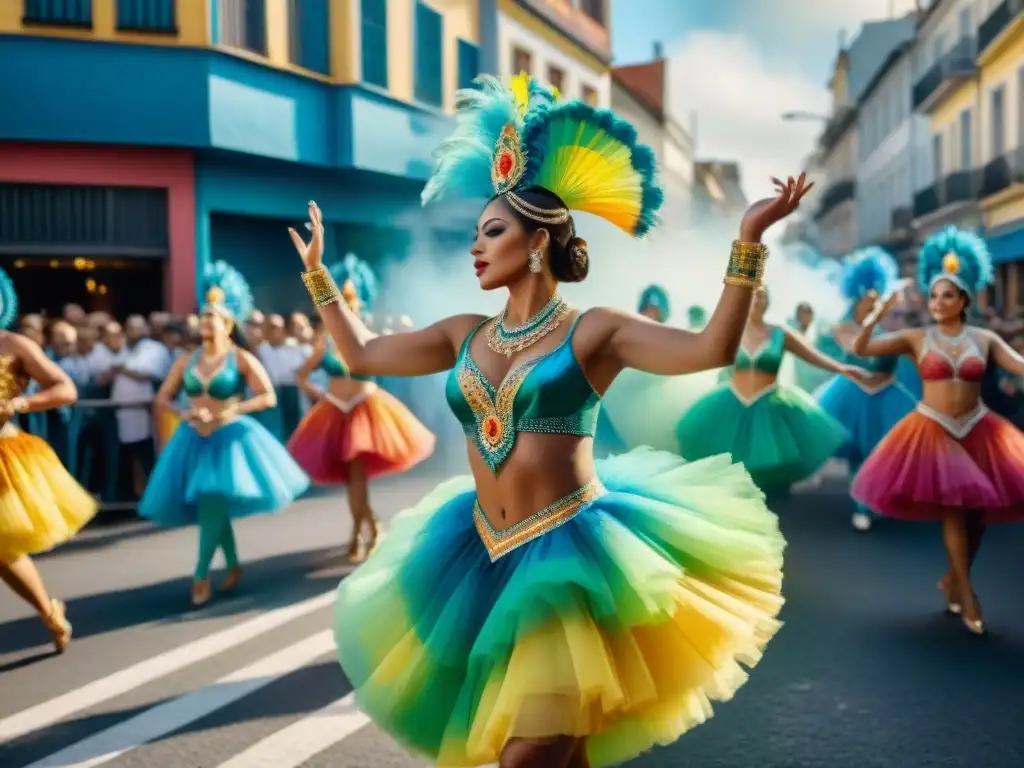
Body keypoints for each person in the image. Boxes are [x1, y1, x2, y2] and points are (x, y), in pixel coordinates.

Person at [290, 75, 807, 768]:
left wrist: (749, 241)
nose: (475, 247)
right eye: (474, 234)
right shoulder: (461, 335)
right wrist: (319, 278)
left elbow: (709, 349)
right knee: (562, 756)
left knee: (528, 755)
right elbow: (359, 351)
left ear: (537, 243)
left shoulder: (595, 331)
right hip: (478, 555)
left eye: (492, 231)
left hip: (568, 559)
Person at [849, 227, 1024, 636]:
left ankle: (952, 576)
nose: (939, 302)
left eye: (948, 295)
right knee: (952, 509)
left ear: (964, 300)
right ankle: (967, 592)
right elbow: (863, 349)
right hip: (933, 430)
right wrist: (874, 318)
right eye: (934, 295)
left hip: (980, 429)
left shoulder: (985, 338)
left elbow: (1019, 365)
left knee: (979, 514)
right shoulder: (915, 337)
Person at [139, 261, 310, 606]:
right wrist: (184, 411)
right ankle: (232, 566)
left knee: (212, 507)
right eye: (203, 316)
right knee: (212, 509)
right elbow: (161, 398)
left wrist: (233, 408)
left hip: (230, 439)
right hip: (193, 439)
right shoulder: (185, 360)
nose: (205, 321)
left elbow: (267, 396)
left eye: (212, 316)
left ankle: (201, 575)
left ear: (227, 323)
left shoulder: (241, 358)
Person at [288, 254, 435, 563]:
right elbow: (300, 375)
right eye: (344, 301)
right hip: (334, 413)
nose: (349, 307)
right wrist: (319, 395)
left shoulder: (369, 337)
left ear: (361, 306)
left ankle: (358, 533)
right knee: (352, 481)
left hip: (366, 412)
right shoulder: (325, 341)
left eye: (353, 302)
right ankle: (370, 526)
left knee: (356, 479)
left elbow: (398, 362)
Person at [676, 285, 869, 499]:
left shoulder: (780, 333)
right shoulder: (732, 331)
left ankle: (771, 496)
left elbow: (811, 355)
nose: (758, 302)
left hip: (769, 401)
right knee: (731, 458)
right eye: (753, 298)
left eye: (762, 298)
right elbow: (704, 352)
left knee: (771, 462)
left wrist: (841, 368)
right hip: (732, 401)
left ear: (768, 302)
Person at [0, 266, 97, 653]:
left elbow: (65, 388)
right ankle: (48, 610)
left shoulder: (13, 345)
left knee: (4, 553)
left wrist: (18, 402)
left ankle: (48, 611)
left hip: (4, 456)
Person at [814, 248, 917, 532]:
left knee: (884, 452)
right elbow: (859, 349)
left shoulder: (887, 329)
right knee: (861, 453)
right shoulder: (843, 328)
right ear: (856, 298)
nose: (872, 306)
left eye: (876, 301)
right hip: (853, 396)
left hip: (888, 395)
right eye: (867, 301)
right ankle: (863, 503)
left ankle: (879, 496)